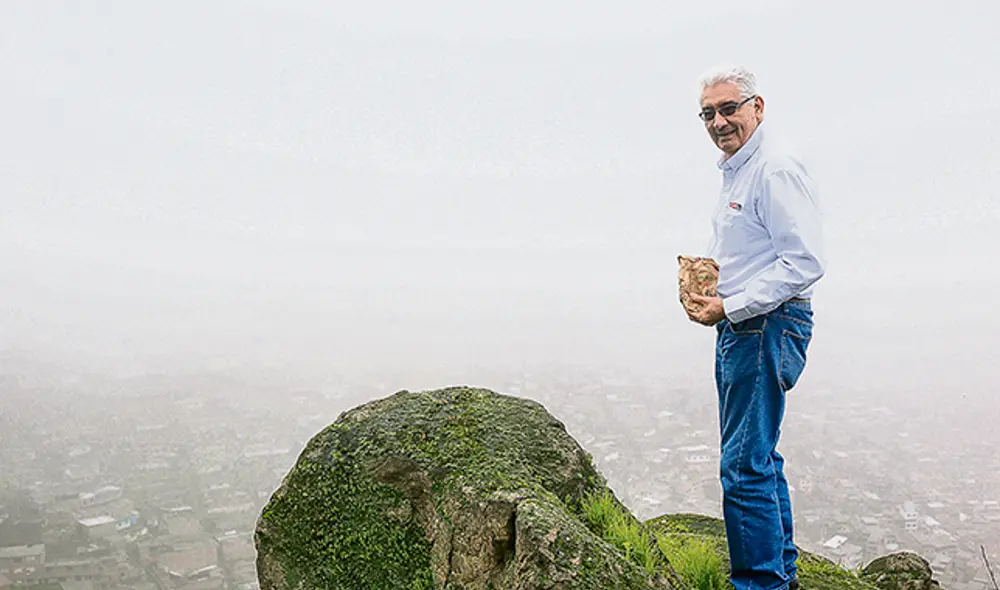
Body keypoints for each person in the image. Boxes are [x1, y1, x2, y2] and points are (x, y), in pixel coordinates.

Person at [684, 64, 826, 590]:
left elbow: (805, 262)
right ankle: (780, 575)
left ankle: (760, 584)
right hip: (745, 324)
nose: (718, 121)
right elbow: (757, 251)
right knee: (759, 456)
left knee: (742, 467)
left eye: (728, 109)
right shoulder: (738, 171)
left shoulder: (774, 169)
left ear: (756, 107)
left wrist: (732, 305)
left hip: (764, 325)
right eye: (708, 113)